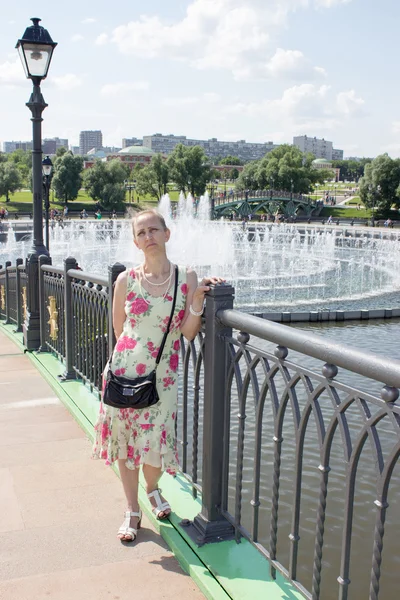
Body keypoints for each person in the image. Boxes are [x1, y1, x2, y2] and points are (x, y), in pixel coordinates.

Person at [92, 208, 224, 543]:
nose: (149, 237)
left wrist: (196, 300)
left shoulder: (186, 278)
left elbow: (189, 332)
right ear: (136, 242)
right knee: (125, 445)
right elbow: (121, 330)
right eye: (142, 233)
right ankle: (132, 509)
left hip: (160, 378)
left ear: (167, 233)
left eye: (154, 230)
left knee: (154, 443)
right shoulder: (126, 280)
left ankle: (151, 489)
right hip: (122, 376)